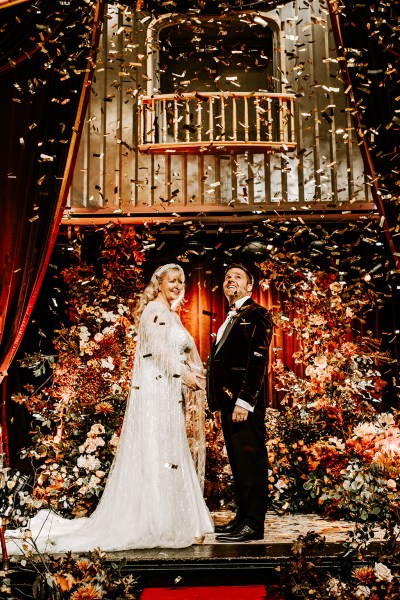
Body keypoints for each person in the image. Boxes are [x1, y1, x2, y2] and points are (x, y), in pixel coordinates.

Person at [7, 263, 213, 553]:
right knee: (157, 451)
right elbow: (157, 352)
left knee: (169, 451)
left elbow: (180, 351)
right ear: (159, 284)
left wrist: (195, 372)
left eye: (181, 281)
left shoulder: (171, 314)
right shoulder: (154, 310)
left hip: (168, 394)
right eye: (172, 281)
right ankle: (155, 522)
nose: (178, 285)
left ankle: (174, 518)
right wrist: (185, 373)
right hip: (155, 395)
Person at [206, 263, 273, 542]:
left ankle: (254, 525)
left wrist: (244, 402)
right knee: (238, 463)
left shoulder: (257, 314)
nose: (230, 280)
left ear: (249, 287)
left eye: (237, 277)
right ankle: (242, 518)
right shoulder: (231, 317)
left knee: (251, 461)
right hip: (229, 404)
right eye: (227, 277)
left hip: (245, 405)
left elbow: (257, 361)